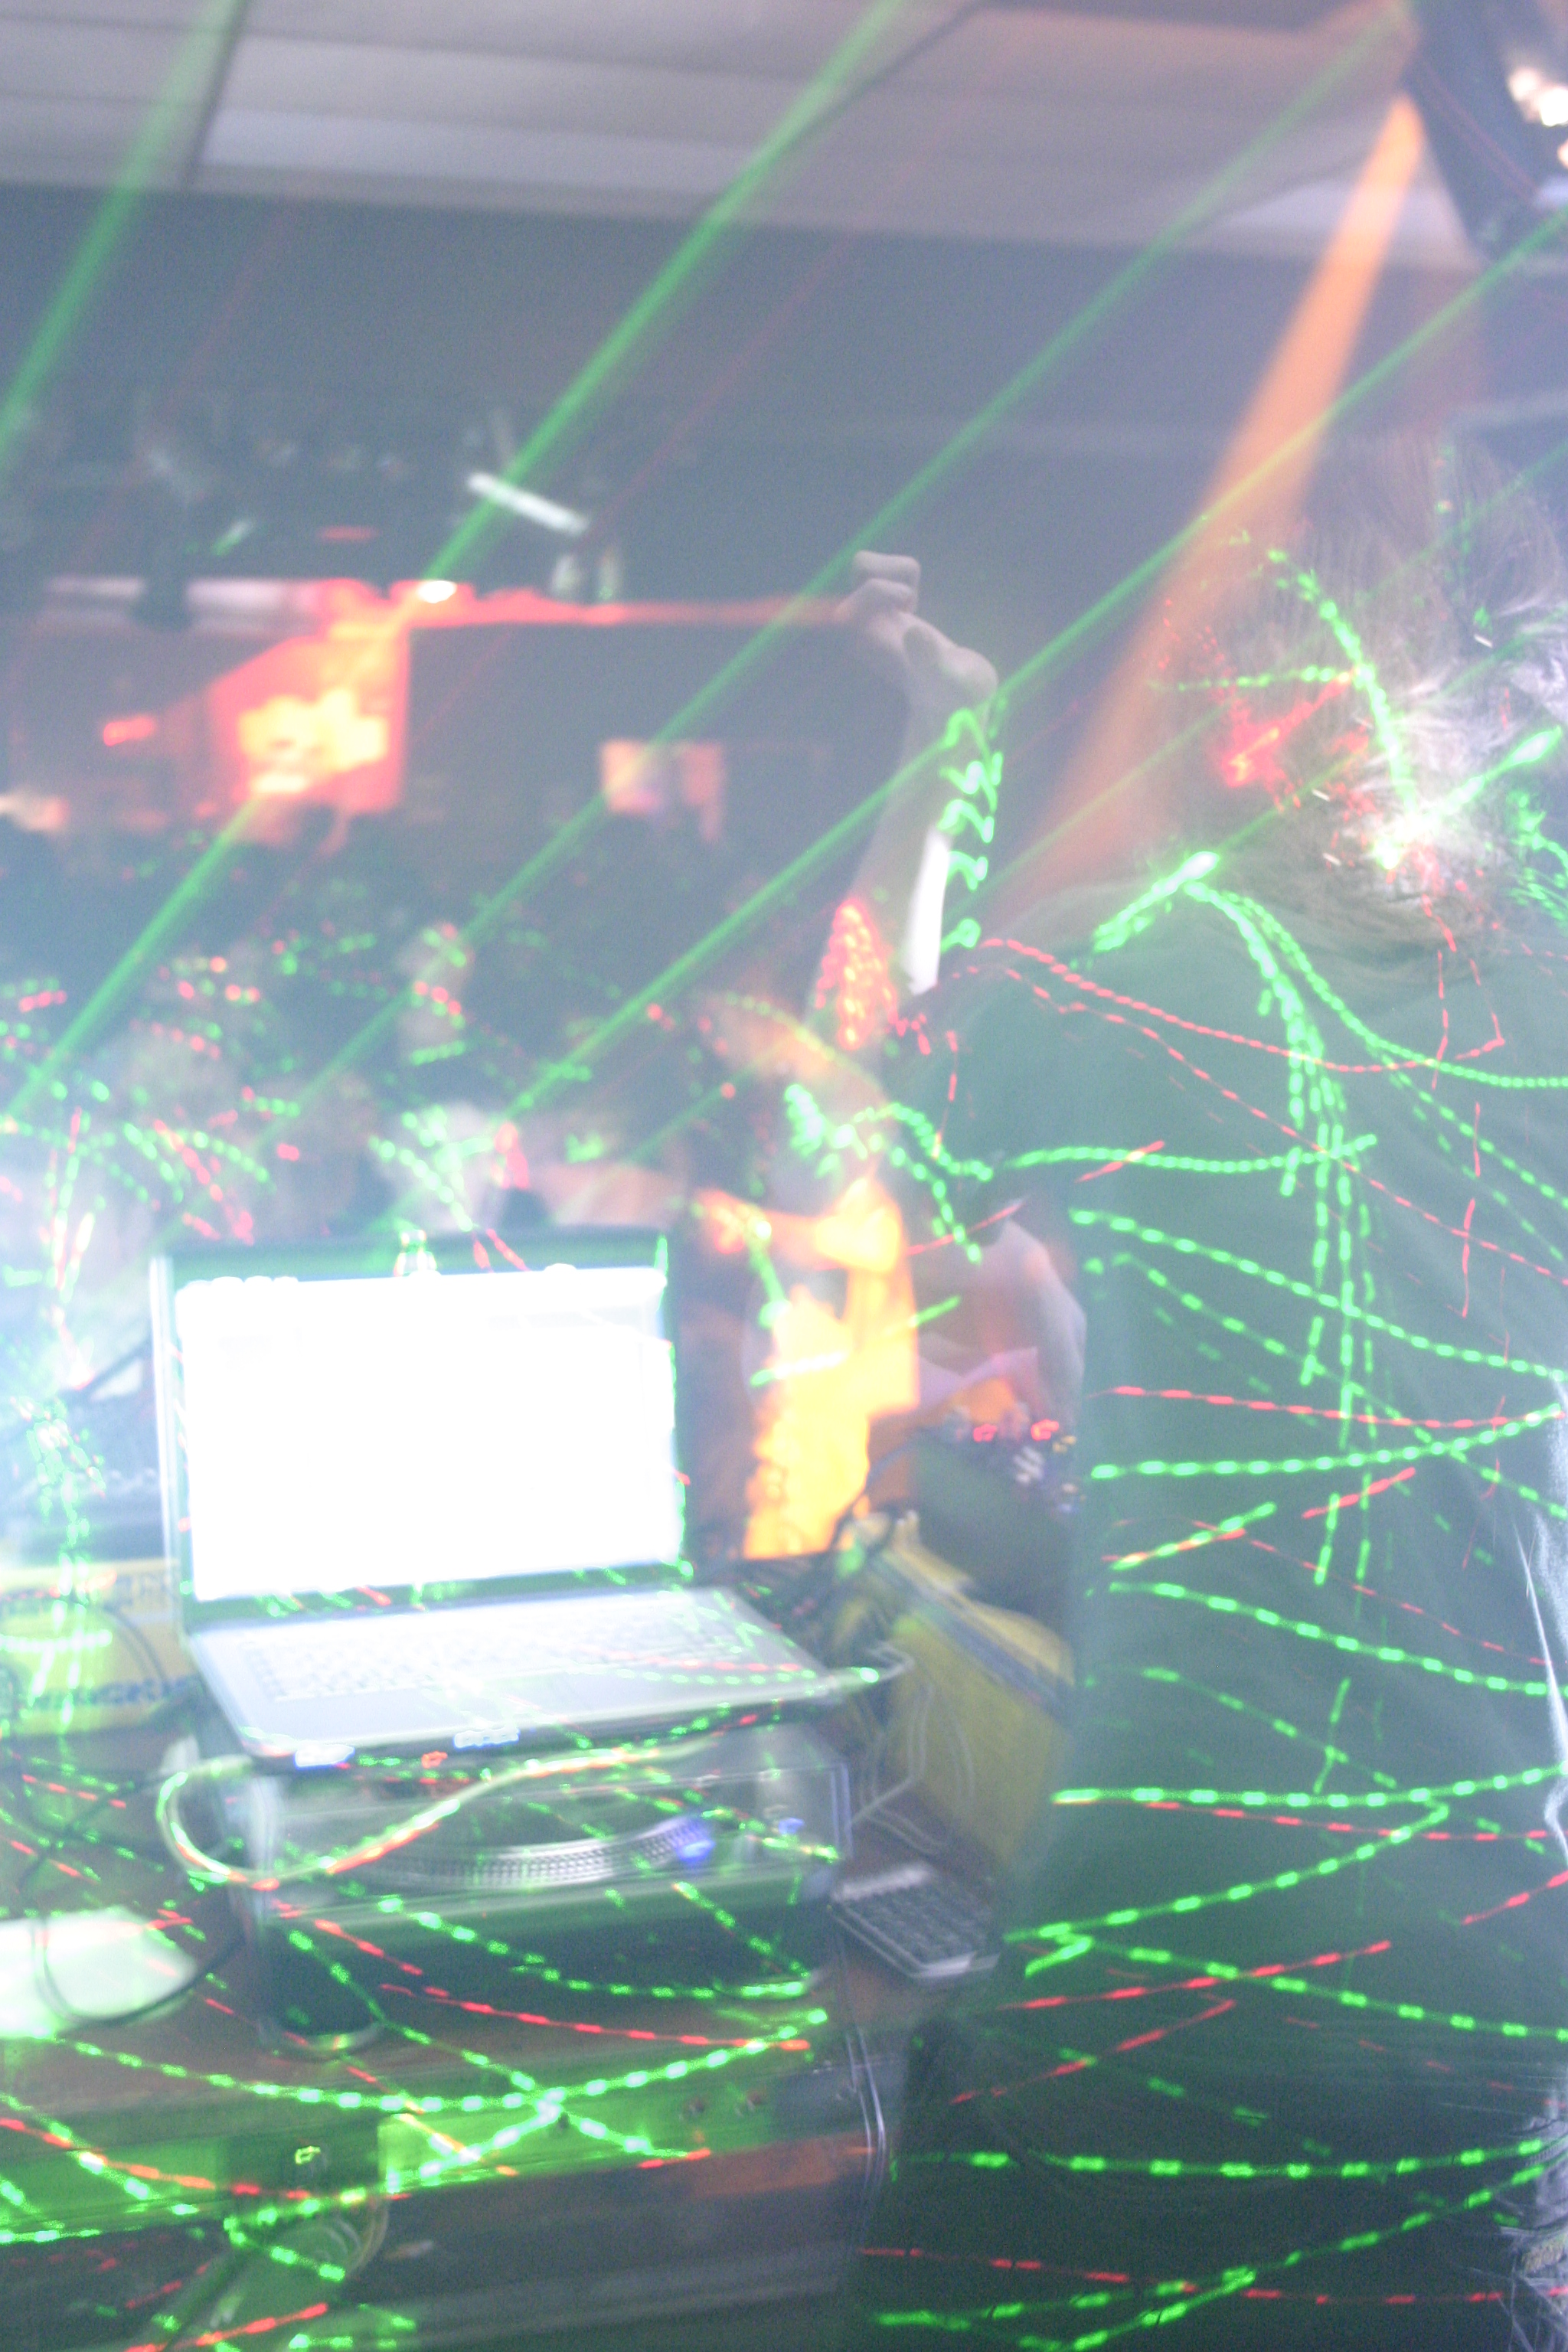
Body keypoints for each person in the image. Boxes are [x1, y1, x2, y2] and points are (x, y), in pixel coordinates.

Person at [833, 443, 1568, 2347]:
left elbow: (851, 1078)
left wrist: (945, 750)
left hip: (1177, 1959)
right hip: (1497, 1990)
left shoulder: (1130, 976)